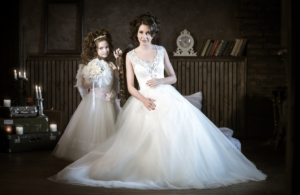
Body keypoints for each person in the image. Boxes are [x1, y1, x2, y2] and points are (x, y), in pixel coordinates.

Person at [49, 13, 266, 189]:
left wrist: (161, 80)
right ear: (136, 33)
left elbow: (174, 77)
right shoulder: (130, 55)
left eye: (149, 33)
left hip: (167, 95)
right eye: (141, 32)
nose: (145, 36)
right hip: (143, 100)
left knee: (178, 134)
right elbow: (131, 86)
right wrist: (143, 100)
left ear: (154, 33)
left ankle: (182, 169)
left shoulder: (161, 50)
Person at [52, 28, 122, 162]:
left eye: (107, 47)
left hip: (108, 100)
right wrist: (92, 77)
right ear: (94, 50)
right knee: (95, 130)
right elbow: (84, 84)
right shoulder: (90, 65)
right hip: (95, 101)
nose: (105, 50)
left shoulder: (111, 64)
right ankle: (92, 156)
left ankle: (106, 156)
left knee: (109, 129)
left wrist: (118, 60)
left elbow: (118, 76)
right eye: (101, 48)